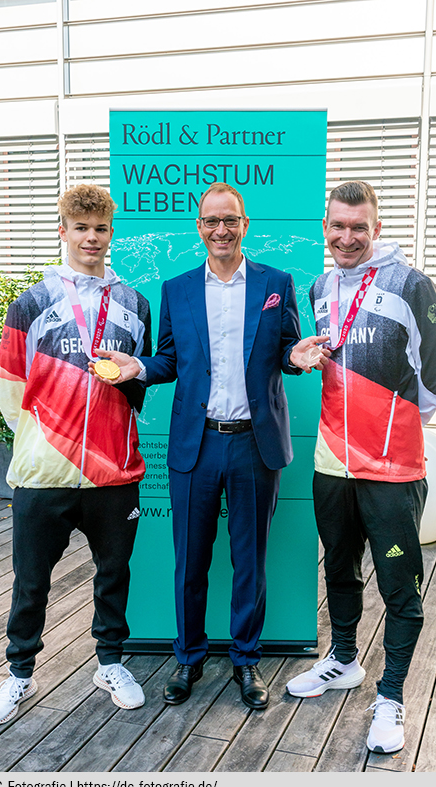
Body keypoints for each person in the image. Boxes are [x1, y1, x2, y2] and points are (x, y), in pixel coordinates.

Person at [93, 181, 326, 710]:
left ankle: (246, 659)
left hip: (254, 445)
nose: (222, 229)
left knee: (251, 561)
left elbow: (286, 350)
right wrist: (138, 367)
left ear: (245, 224)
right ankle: (189, 657)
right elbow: (169, 360)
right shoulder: (175, 289)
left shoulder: (276, 283)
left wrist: (297, 356)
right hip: (194, 446)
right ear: (199, 227)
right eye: (211, 220)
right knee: (190, 562)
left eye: (230, 220)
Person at [286, 181, 436, 753]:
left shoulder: (410, 284)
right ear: (325, 228)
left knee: (400, 586)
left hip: (392, 466)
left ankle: (392, 696)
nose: (348, 237)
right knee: (338, 567)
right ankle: (343, 660)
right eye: (338, 226)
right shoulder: (320, 286)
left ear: (376, 228)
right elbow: (318, 357)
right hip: (332, 461)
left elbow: (435, 371)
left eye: (359, 227)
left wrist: (393, 425)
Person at [0, 184, 151, 725]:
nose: (91, 238)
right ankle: (19, 672)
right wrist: (45, 443)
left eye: (100, 228)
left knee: (113, 573)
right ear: (63, 231)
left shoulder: (134, 304)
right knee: (31, 581)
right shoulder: (30, 303)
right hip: (44, 472)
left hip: (114, 473)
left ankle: (110, 662)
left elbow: (138, 382)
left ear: (110, 233)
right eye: (81, 228)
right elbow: (12, 389)